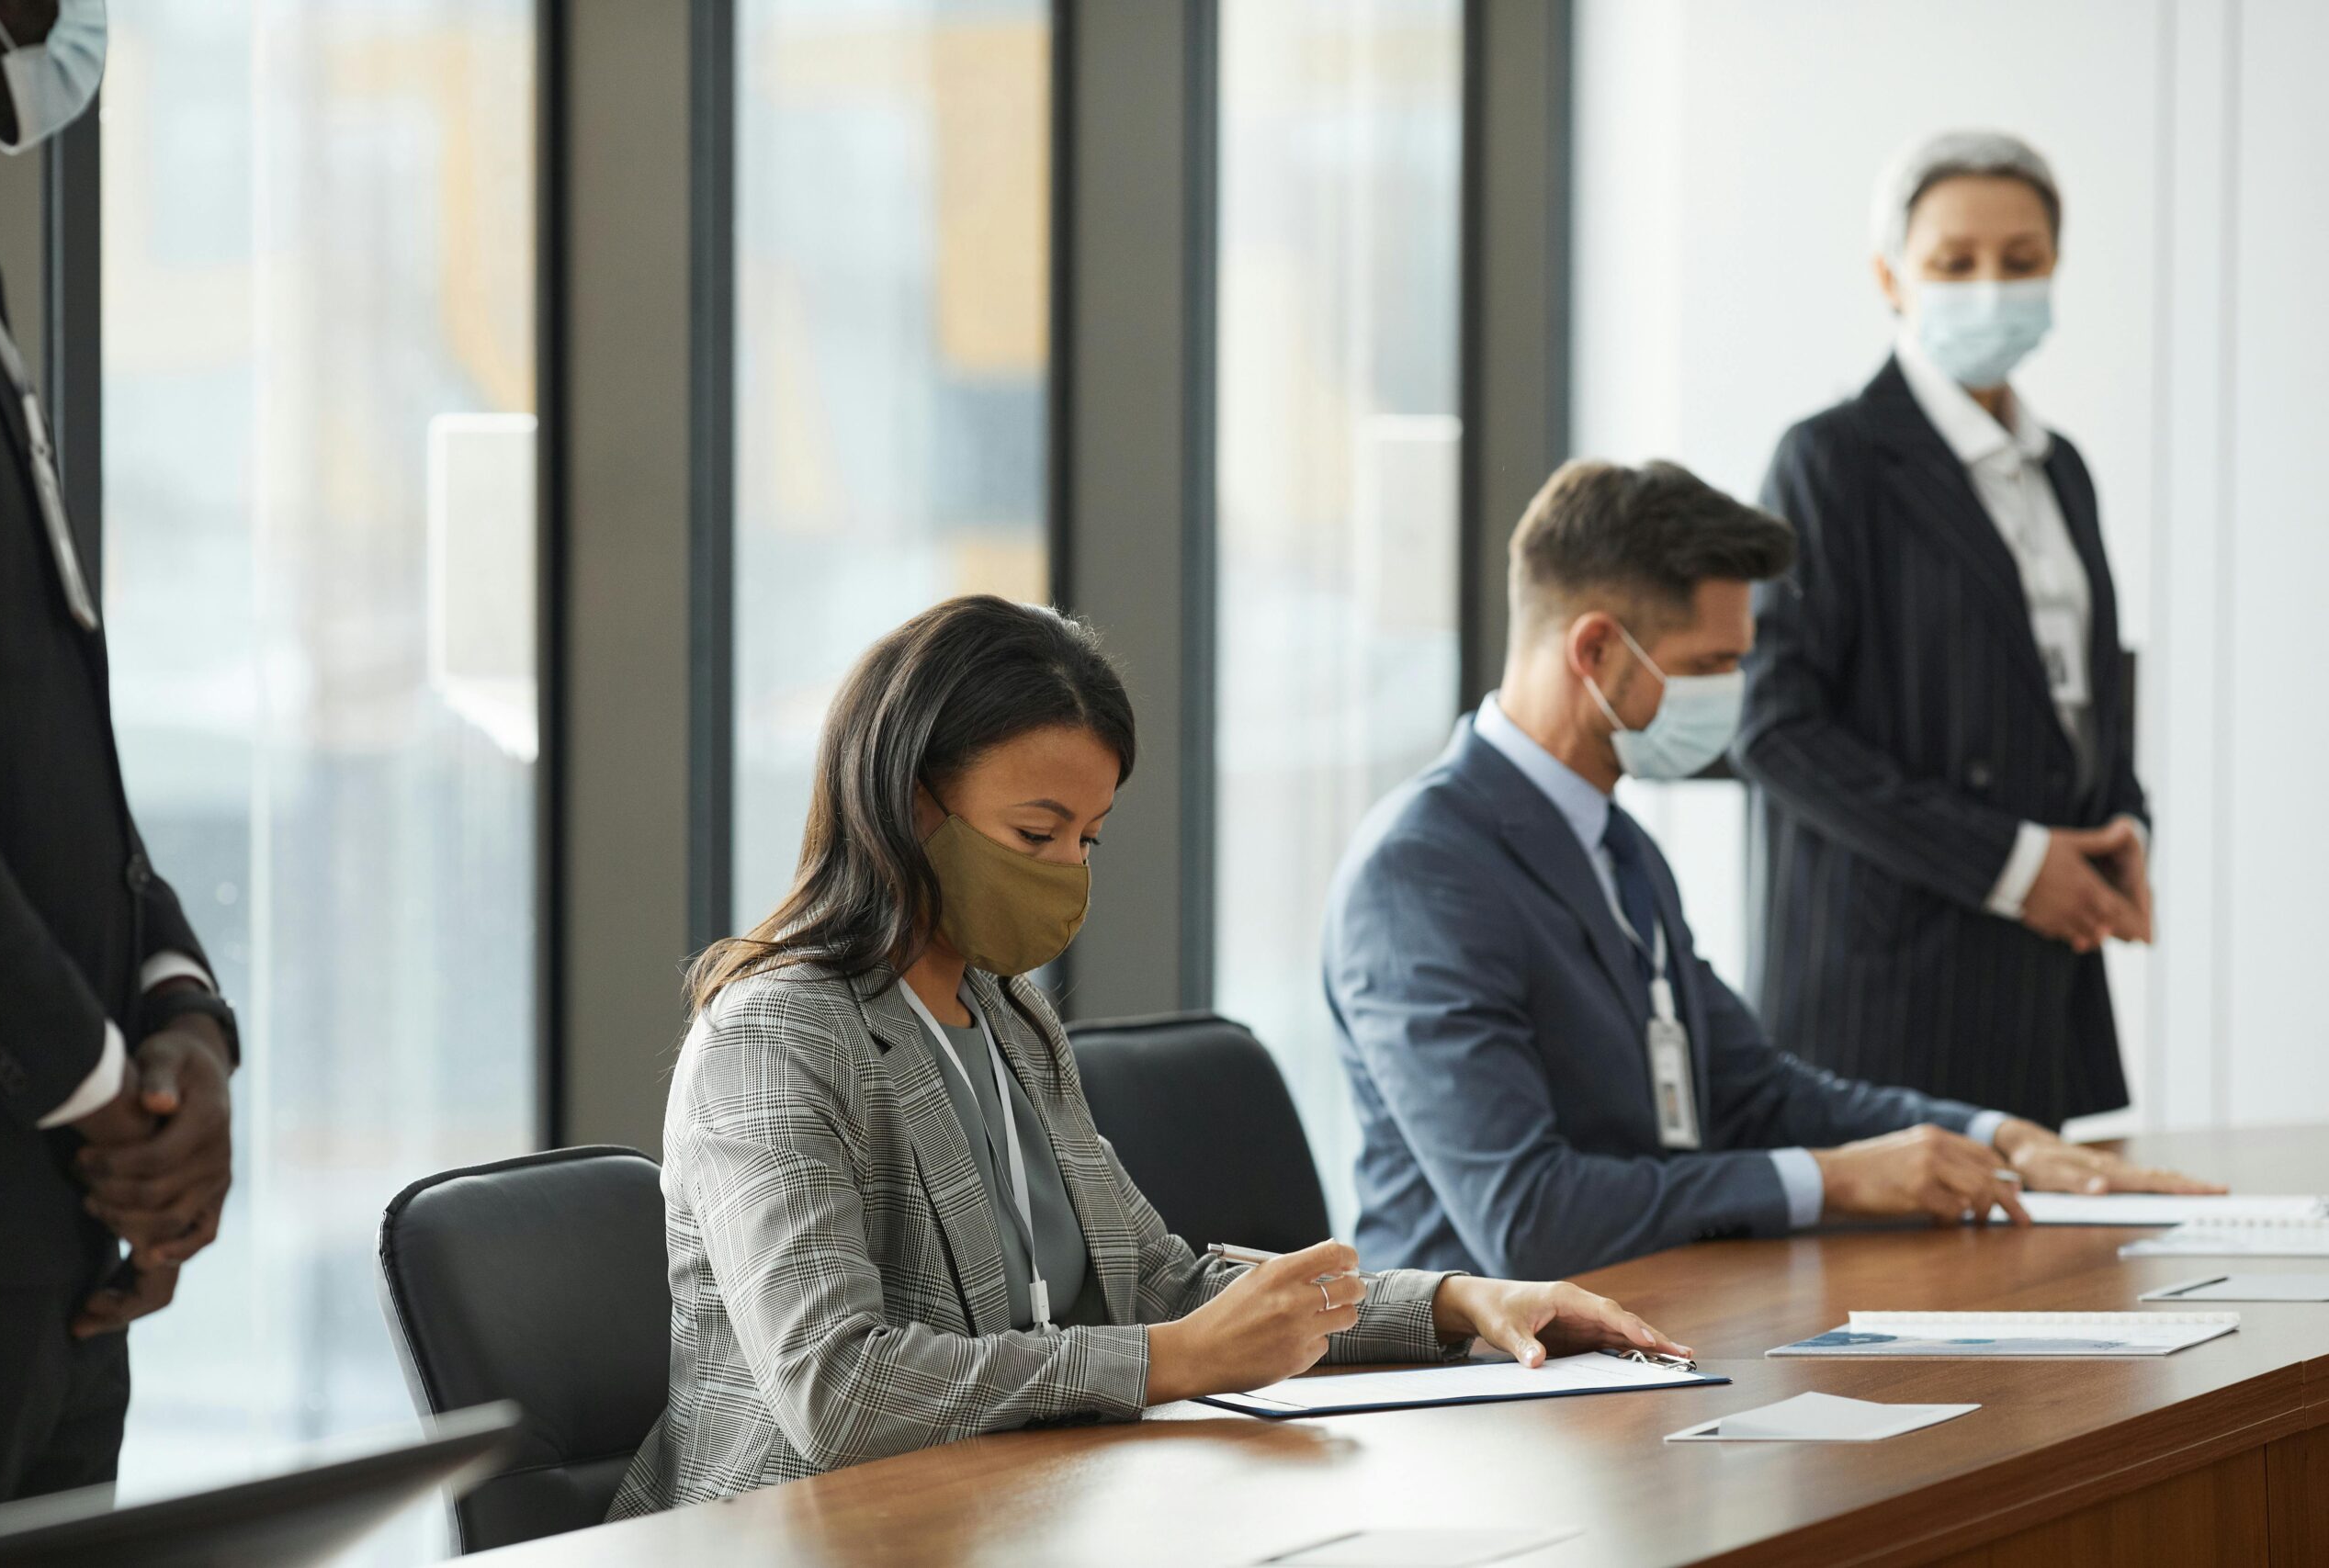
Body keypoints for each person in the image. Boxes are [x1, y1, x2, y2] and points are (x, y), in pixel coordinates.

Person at [608, 596, 1690, 1513]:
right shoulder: (775, 1033)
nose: (1068, 871)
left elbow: (1157, 1281)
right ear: (907, 801)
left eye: (1087, 838)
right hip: (799, 1533)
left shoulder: (1011, 1020)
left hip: (1016, 1511)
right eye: (1035, 834)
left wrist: (1461, 1306)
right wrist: (1177, 1361)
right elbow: (835, 1388)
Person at [1324, 460, 2213, 1284]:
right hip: (1478, 1394)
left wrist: (1992, 1137)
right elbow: (1527, 1219)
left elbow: (1758, 1090)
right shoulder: (1419, 874)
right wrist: (1833, 1181)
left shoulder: (1616, 847)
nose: (1737, 693)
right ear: (1593, 651)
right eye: (1711, 665)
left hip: (1643, 1328)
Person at [1734, 130, 2154, 1128]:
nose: (1989, 287)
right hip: (1888, 990)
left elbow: (2075, 692)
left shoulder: (2063, 469)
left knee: (2053, 1277)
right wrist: (2013, 866)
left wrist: (2123, 828)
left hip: (2041, 980)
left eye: (2020, 261)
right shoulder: (1829, 461)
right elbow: (1775, 729)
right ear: (1890, 276)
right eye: (1952, 263)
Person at [0, 0, 241, 1506]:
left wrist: (182, 1018)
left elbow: (50, 744)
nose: (63, 21)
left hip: (63, 1241)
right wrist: (100, 1097)